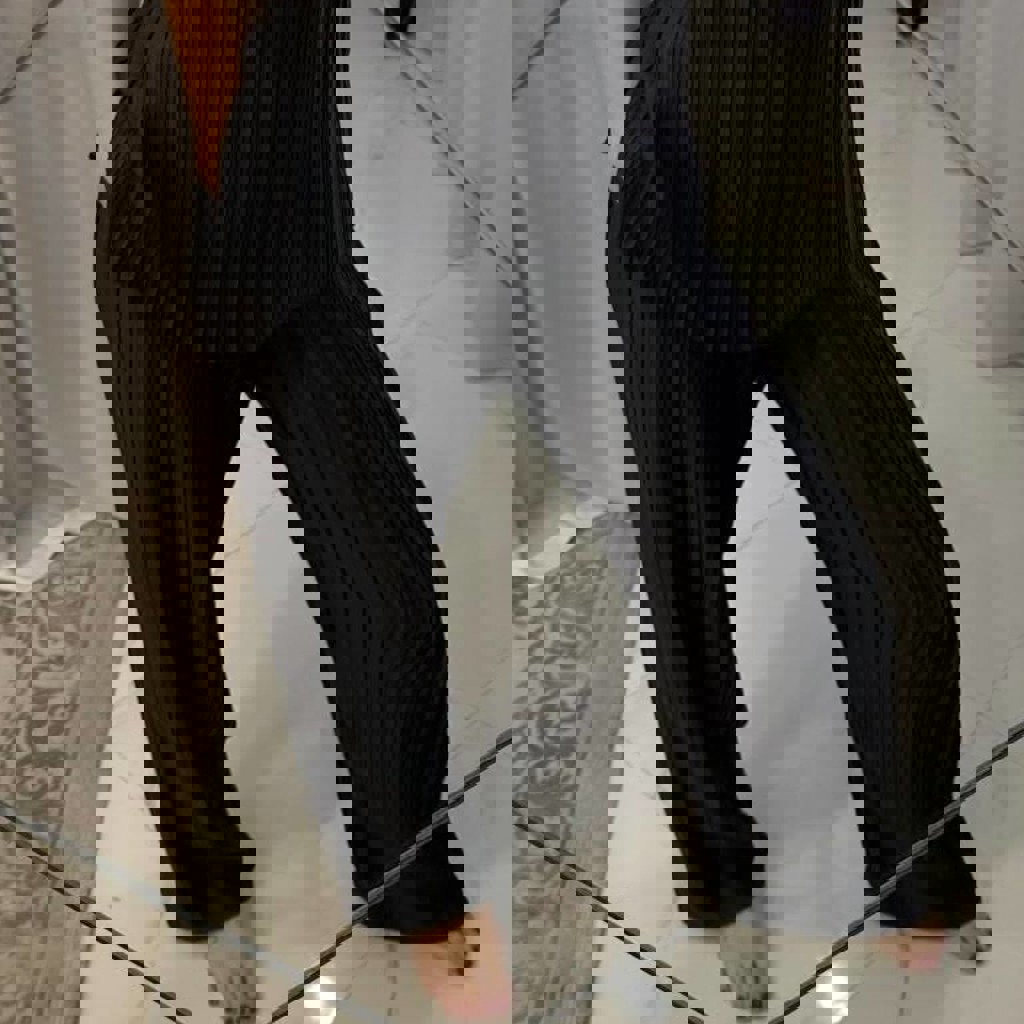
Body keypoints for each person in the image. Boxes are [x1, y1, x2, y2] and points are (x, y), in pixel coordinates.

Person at [607, 0, 979, 990]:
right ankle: (715, 870)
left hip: (816, 251)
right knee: (686, 583)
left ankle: (917, 875)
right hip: (670, 253)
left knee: (901, 579)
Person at [95, 0, 474, 965]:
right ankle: (199, 865)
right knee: (173, 585)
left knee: (388, 578)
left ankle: (407, 879)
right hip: (157, 252)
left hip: (302, 255)